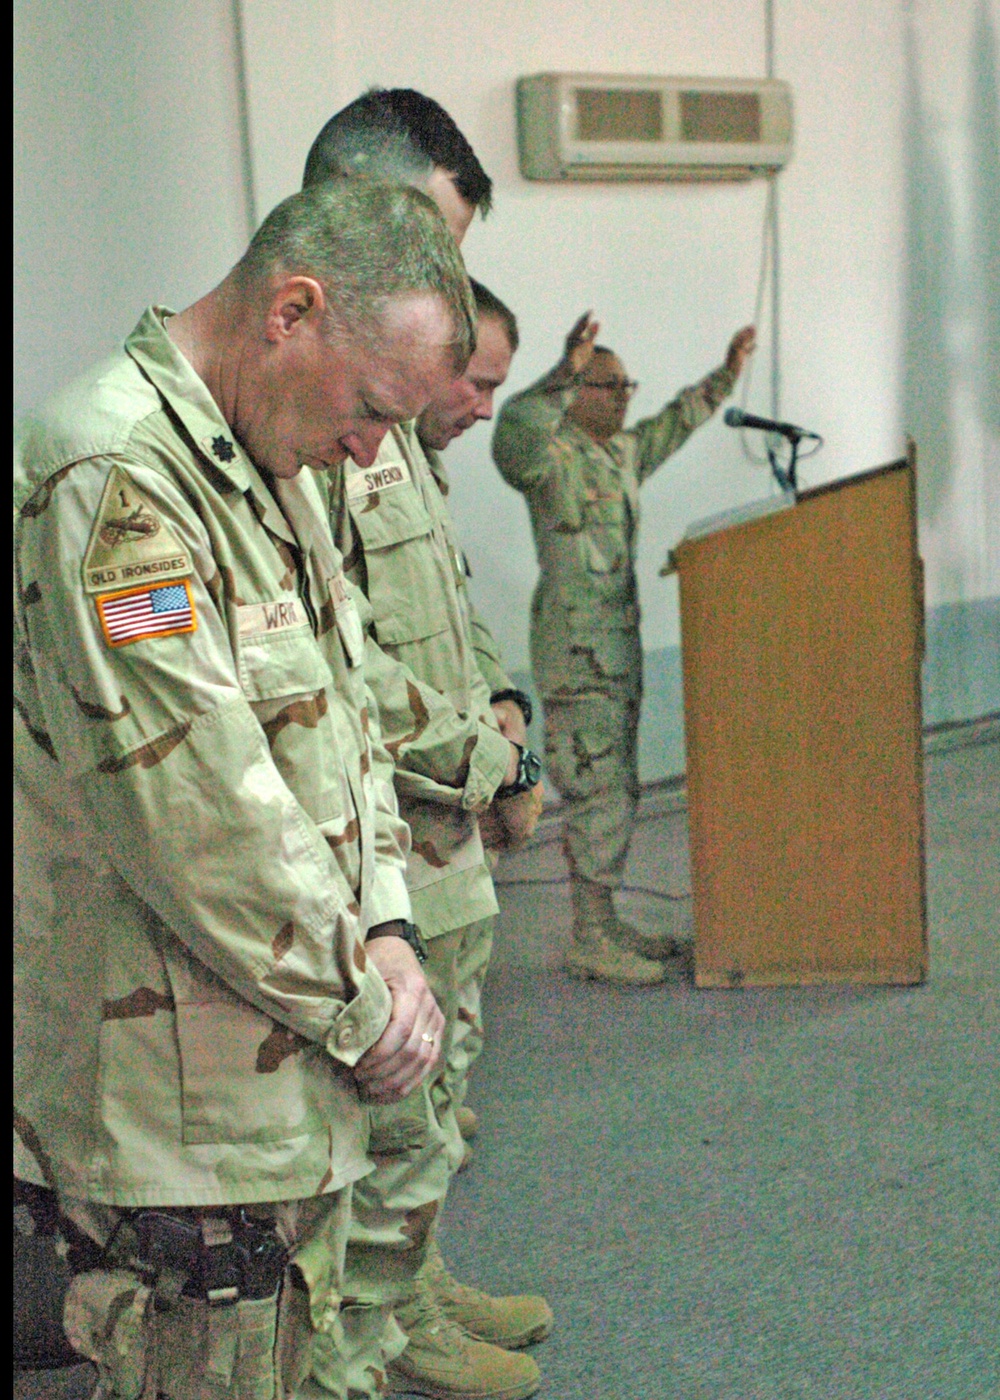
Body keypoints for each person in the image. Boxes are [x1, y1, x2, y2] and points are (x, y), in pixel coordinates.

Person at [13, 177, 476, 1399]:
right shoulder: (114, 473)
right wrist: (364, 1003)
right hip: (178, 1094)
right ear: (292, 311)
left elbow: (349, 722)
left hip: (286, 1047)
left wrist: (385, 922)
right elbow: (194, 813)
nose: (374, 452)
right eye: (373, 410)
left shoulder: (273, 457)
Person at [304, 93, 548, 1400]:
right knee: (388, 1130)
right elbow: (331, 658)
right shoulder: (298, 411)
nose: (445, 284)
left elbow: (439, 610)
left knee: (436, 1115)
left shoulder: (387, 413)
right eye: (430, 241)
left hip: (447, 836)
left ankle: (416, 1307)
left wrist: (501, 713)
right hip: (386, 845)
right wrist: (483, 762)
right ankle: (381, 1337)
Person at [493, 313, 756, 986]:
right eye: (608, 385)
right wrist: (562, 372)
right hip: (578, 655)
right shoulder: (550, 455)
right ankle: (588, 935)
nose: (623, 395)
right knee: (595, 789)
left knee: (617, 788)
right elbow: (512, 436)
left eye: (625, 384)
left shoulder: (622, 452)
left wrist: (727, 372)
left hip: (618, 644)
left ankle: (603, 920)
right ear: (577, 391)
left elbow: (678, 419)